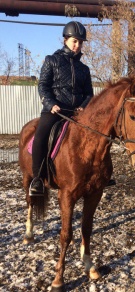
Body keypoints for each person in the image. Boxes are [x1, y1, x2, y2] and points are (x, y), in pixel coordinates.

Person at [29, 21, 94, 195]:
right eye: (74, 41)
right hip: (55, 110)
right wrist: (51, 104)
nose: (77, 45)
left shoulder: (84, 69)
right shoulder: (52, 60)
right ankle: (37, 179)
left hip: (77, 113)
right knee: (40, 137)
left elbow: (89, 94)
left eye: (80, 42)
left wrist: (82, 107)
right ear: (65, 40)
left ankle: (98, 173)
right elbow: (43, 86)